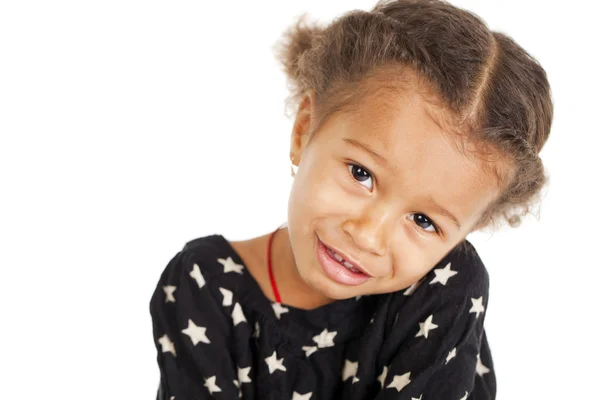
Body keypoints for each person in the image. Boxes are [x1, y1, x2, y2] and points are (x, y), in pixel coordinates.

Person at [150, 0, 553, 398]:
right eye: (362, 174)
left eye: (424, 221)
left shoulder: (445, 289)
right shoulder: (202, 285)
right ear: (303, 131)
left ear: (464, 233)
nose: (368, 236)